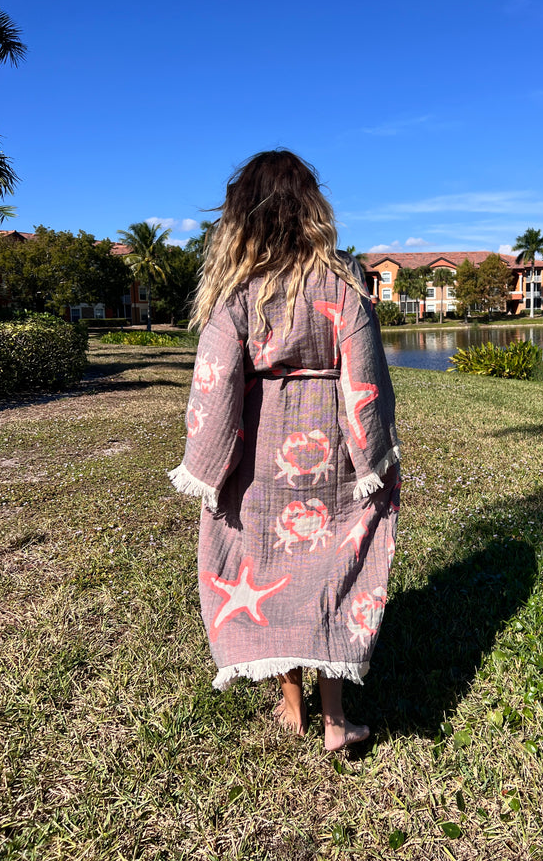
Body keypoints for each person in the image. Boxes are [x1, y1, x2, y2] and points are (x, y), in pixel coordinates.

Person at [169, 150, 400, 751]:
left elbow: (214, 383)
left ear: (243, 215)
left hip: (260, 446)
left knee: (267, 561)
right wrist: (373, 455)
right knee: (330, 569)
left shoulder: (239, 295)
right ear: (311, 209)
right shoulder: (343, 286)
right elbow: (366, 378)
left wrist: (208, 463)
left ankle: (289, 704)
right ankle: (334, 719)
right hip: (333, 446)